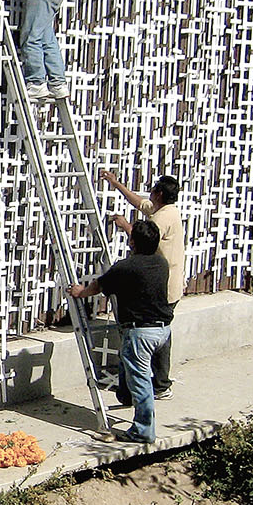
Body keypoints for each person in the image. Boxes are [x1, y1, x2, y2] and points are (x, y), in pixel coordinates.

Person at [68, 220, 172, 444]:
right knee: (130, 363)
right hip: (163, 330)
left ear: (132, 242)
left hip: (141, 332)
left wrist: (80, 292)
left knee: (141, 379)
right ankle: (125, 396)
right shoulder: (161, 263)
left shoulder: (126, 267)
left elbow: (98, 286)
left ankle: (143, 431)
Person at [101, 171, 185, 402]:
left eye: (154, 187)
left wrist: (125, 225)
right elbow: (139, 203)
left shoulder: (162, 219)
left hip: (163, 286)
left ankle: (159, 385)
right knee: (159, 334)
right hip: (164, 283)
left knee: (158, 335)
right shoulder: (166, 209)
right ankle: (154, 383)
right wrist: (115, 183)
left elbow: (147, 240)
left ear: (158, 193)